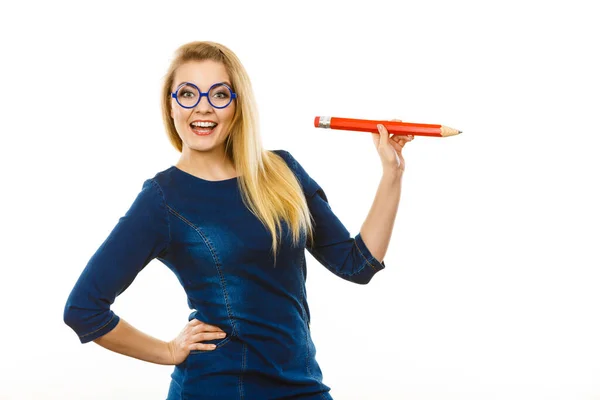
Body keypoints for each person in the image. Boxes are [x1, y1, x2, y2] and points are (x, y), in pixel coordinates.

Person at [63, 41, 414, 399]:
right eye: (187, 93)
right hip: (217, 388)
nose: (203, 107)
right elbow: (84, 310)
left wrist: (392, 172)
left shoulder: (281, 171)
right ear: (171, 105)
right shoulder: (162, 199)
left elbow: (357, 265)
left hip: (301, 386)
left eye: (219, 94)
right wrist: (169, 351)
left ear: (237, 104)